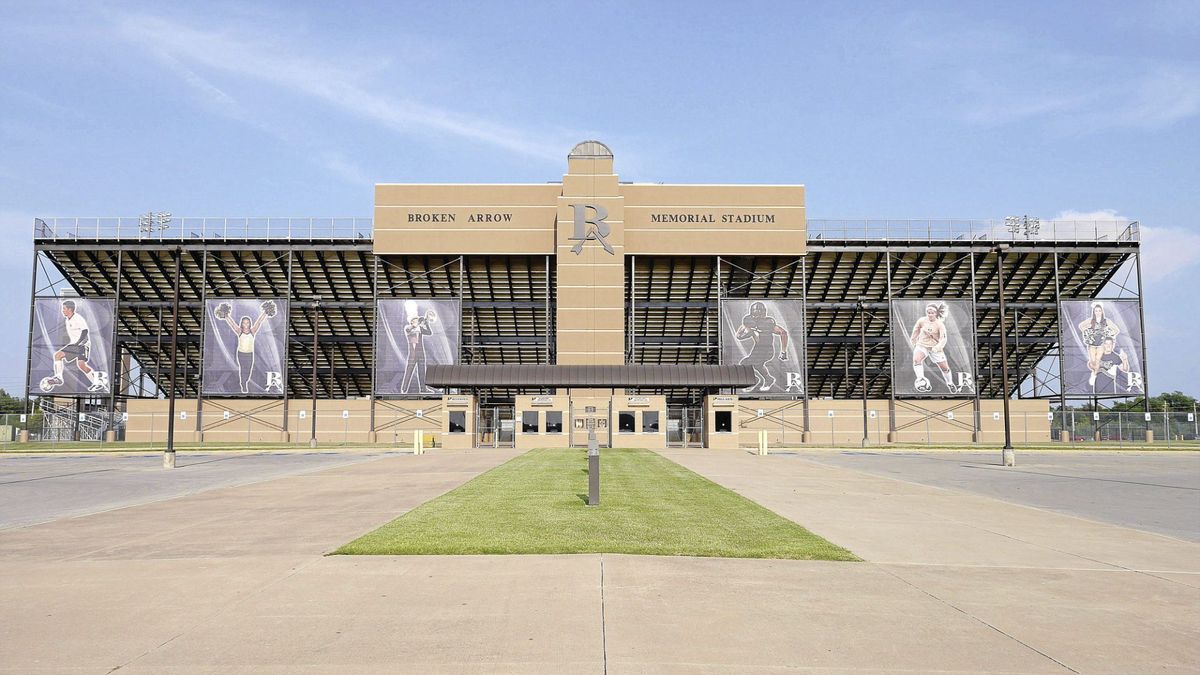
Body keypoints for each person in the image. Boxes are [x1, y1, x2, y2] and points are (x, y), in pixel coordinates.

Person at [41, 300, 107, 393]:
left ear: (70, 309)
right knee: (80, 364)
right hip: (75, 344)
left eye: (64, 308)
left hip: (82, 345)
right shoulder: (68, 319)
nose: (62, 310)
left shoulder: (77, 318)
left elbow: (85, 331)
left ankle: (59, 378)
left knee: (61, 357)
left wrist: (78, 343)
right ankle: (97, 383)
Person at [216, 300, 276, 394]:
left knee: (248, 370)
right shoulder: (239, 331)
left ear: (250, 324)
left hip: (250, 354)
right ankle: (243, 384)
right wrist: (226, 315)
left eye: (247, 322)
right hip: (241, 353)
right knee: (243, 369)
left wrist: (265, 312)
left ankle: (245, 381)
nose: (246, 324)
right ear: (242, 324)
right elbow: (232, 324)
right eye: (244, 323)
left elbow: (259, 322)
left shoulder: (253, 331)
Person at [735, 301, 789, 392]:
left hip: (767, 349)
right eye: (755, 315)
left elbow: (783, 333)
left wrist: (783, 351)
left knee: (754, 364)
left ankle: (754, 381)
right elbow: (744, 326)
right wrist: (738, 334)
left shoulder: (768, 322)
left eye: (758, 315)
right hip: (757, 348)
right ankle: (768, 379)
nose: (756, 317)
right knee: (747, 364)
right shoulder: (749, 320)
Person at [909, 302, 958, 394]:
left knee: (945, 368)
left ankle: (950, 383)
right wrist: (913, 340)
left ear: (936, 313)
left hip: (935, 348)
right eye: (928, 312)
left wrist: (937, 347)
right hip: (922, 345)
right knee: (916, 360)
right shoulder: (921, 321)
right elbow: (916, 330)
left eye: (932, 313)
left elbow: (943, 339)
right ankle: (920, 379)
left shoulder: (940, 325)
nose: (930, 314)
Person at [1077, 302, 1120, 388]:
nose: (1098, 312)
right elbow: (1081, 326)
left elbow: (1116, 330)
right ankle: (1097, 371)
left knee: (1097, 360)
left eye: (1099, 310)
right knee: (1093, 361)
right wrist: (1087, 331)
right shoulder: (1090, 320)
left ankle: (1094, 375)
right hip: (1092, 344)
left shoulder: (1106, 321)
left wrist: (1109, 334)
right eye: (1096, 311)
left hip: (1101, 344)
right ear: (1094, 312)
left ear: (1102, 311)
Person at [401, 309, 438, 394]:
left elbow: (429, 332)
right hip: (413, 354)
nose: (417, 321)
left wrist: (426, 323)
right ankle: (404, 389)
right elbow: (409, 330)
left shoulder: (420, 329)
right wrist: (418, 325)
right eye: (415, 320)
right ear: (412, 321)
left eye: (417, 320)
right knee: (409, 371)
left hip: (421, 353)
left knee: (422, 371)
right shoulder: (408, 327)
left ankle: (423, 389)